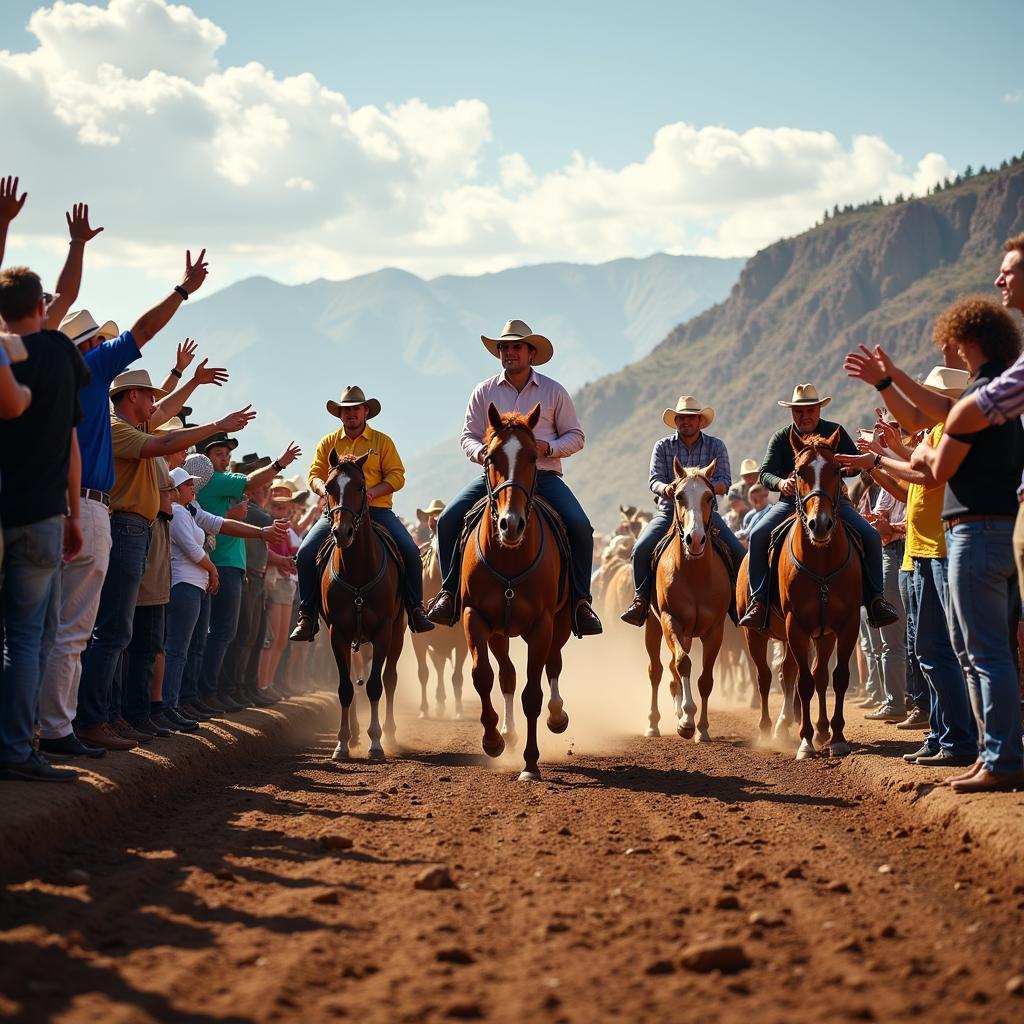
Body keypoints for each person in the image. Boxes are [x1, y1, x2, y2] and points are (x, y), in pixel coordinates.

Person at [38, 257, 219, 758]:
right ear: (88, 349)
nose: (103, 346)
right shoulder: (91, 378)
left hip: (61, 504)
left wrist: (185, 378)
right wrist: (182, 291)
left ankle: (54, 728)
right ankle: (73, 724)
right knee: (94, 628)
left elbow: (157, 413)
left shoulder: (47, 376)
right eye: (97, 341)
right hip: (93, 511)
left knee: (52, 627)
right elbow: (142, 334)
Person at [73, 370, 257, 750]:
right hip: (127, 527)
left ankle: (115, 716)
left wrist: (190, 382)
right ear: (133, 396)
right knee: (114, 632)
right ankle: (94, 719)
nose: (156, 404)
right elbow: (169, 438)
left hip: (135, 530)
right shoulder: (118, 428)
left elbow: (166, 419)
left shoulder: (132, 424)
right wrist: (216, 425)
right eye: (150, 397)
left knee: (129, 633)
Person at [838, 366, 978, 768]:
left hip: (935, 550)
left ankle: (956, 738)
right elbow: (909, 487)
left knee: (937, 649)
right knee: (925, 647)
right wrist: (876, 463)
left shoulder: (948, 436)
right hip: (918, 550)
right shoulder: (934, 434)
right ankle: (940, 733)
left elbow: (923, 475)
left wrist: (877, 457)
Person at [426, 320, 602, 636]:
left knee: (579, 526)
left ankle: (580, 602)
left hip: (543, 476)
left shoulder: (553, 392)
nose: (509, 352)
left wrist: (547, 447)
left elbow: (576, 436)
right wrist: (482, 453)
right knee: (448, 520)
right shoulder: (484, 392)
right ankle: (449, 593)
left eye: (516, 347)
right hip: (496, 477)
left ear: (531, 353)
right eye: (504, 348)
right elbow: (468, 435)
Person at [912, 298, 1024, 792]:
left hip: (976, 532)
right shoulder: (997, 387)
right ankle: (990, 753)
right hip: (985, 530)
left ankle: (1000, 756)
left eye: (951, 340)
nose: (946, 347)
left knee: (985, 652)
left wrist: (909, 449)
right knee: (977, 650)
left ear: (968, 339)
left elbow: (936, 465)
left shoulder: (988, 393)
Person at [0, 265, 89, 781]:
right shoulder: (60, 354)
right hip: (41, 513)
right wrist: (75, 513)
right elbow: (72, 445)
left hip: (2, 504)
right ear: (41, 306)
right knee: (29, 637)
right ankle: (17, 748)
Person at [737, 383, 899, 632]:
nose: (805, 416)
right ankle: (758, 601)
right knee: (758, 535)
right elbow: (765, 473)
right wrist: (782, 482)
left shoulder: (835, 432)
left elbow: (854, 464)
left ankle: (876, 600)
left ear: (818, 410)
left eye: (810, 410)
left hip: (832, 502)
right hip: (790, 502)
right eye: (799, 412)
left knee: (868, 535)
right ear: (792, 412)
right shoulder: (782, 438)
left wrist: (843, 469)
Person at [290, 384, 433, 640]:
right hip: (335, 513)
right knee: (304, 554)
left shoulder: (382, 441)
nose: (351, 414)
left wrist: (372, 493)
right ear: (340, 414)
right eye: (346, 410)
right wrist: (324, 490)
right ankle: (308, 615)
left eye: (356, 409)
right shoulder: (328, 443)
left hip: (377, 511)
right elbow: (314, 474)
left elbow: (397, 476)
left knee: (410, 550)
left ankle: (415, 609)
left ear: (366, 411)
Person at [195, 432, 301, 711]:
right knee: (226, 633)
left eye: (227, 453)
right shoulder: (215, 481)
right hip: (225, 565)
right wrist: (279, 464)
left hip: (234, 566)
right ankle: (214, 691)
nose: (226, 457)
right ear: (206, 458)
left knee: (236, 634)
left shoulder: (224, 488)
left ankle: (225, 690)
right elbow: (252, 482)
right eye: (219, 453)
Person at [619, 395, 745, 626]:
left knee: (738, 552)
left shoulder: (716, 446)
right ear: (676, 421)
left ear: (699, 421)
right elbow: (654, 479)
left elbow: (725, 481)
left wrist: (702, 485)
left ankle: (740, 604)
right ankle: (641, 601)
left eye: (690, 418)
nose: (686, 421)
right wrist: (667, 488)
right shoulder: (663, 446)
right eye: (681, 418)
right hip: (669, 511)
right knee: (641, 548)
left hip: (707, 514)